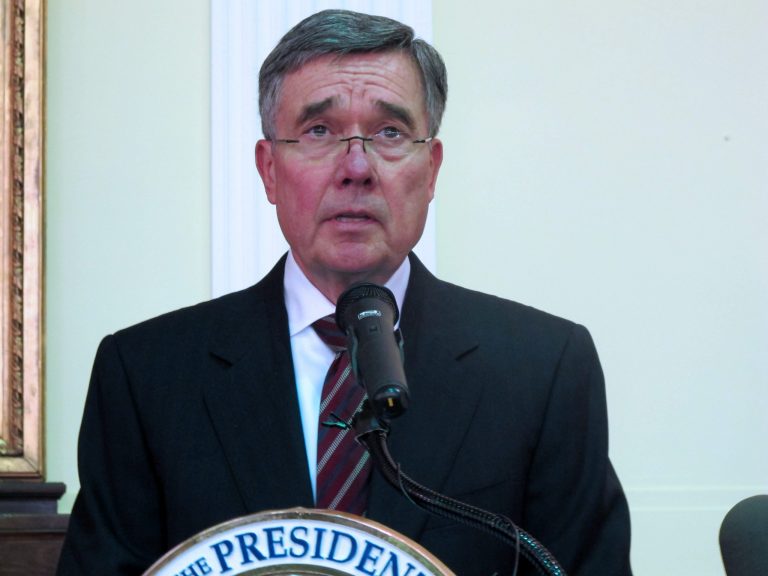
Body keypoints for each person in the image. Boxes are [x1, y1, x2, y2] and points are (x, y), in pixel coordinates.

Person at [57, 9, 632, 576]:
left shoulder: (544, 368)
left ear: (430, 169)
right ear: (269, 171)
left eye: (389, 132)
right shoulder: (146, 374)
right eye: (319, 131)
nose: (356, 167)